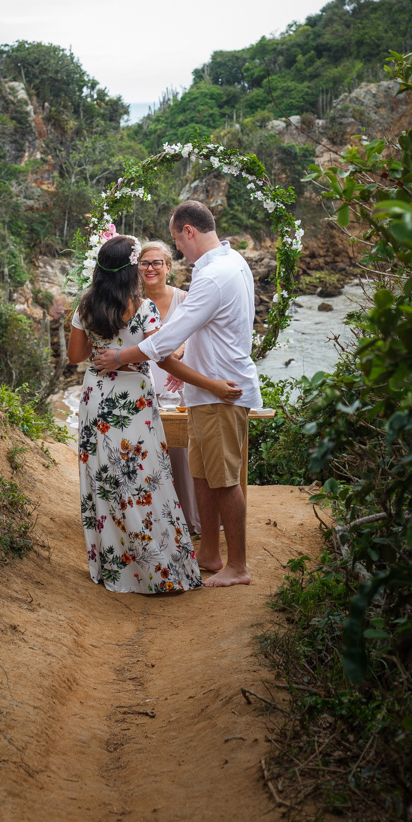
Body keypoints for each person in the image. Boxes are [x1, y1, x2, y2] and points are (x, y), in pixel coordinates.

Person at [94, 203, 260, 588]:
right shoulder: (229, 262)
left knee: (224, 479)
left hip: (223, 390)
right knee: (202, 474)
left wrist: (119, 356)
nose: (178, 251)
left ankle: (238, 565)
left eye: (175, 242)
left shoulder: (216, 275)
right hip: (205, 388)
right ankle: (208, 553)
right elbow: (198, 331)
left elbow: (171, 334)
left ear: (188, 231)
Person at [137, 239, 201, 535]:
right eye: (144, 263)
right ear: (137, 267)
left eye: (156, 263)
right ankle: (151, 522)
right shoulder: (131, 300)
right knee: (146, 457)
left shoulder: (185, 299)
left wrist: (181, 357)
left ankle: (190, 522)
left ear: (168, 267)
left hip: (178, 385)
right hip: (142, 386)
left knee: (180, 455)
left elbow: (199, 337)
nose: (150, 268)